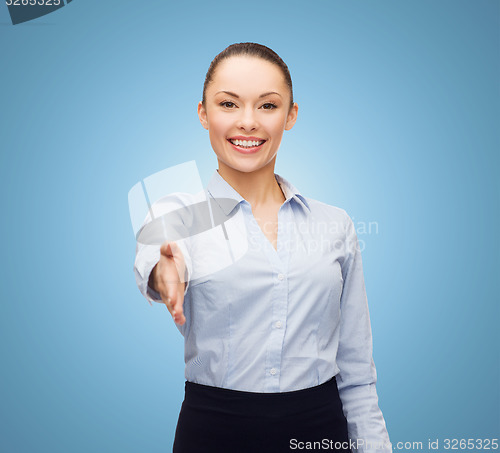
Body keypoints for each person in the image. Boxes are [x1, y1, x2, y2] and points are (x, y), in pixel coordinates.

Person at [133, 42, 392, 453]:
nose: (248, 122)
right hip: (214, 432)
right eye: (229, 104)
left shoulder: (334, 225)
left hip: (321, 429)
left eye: (268, 106)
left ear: (290, 116)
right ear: (203, 113)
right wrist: (166, 272)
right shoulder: (179, 213)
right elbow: (157, 250)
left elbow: (357, 371)